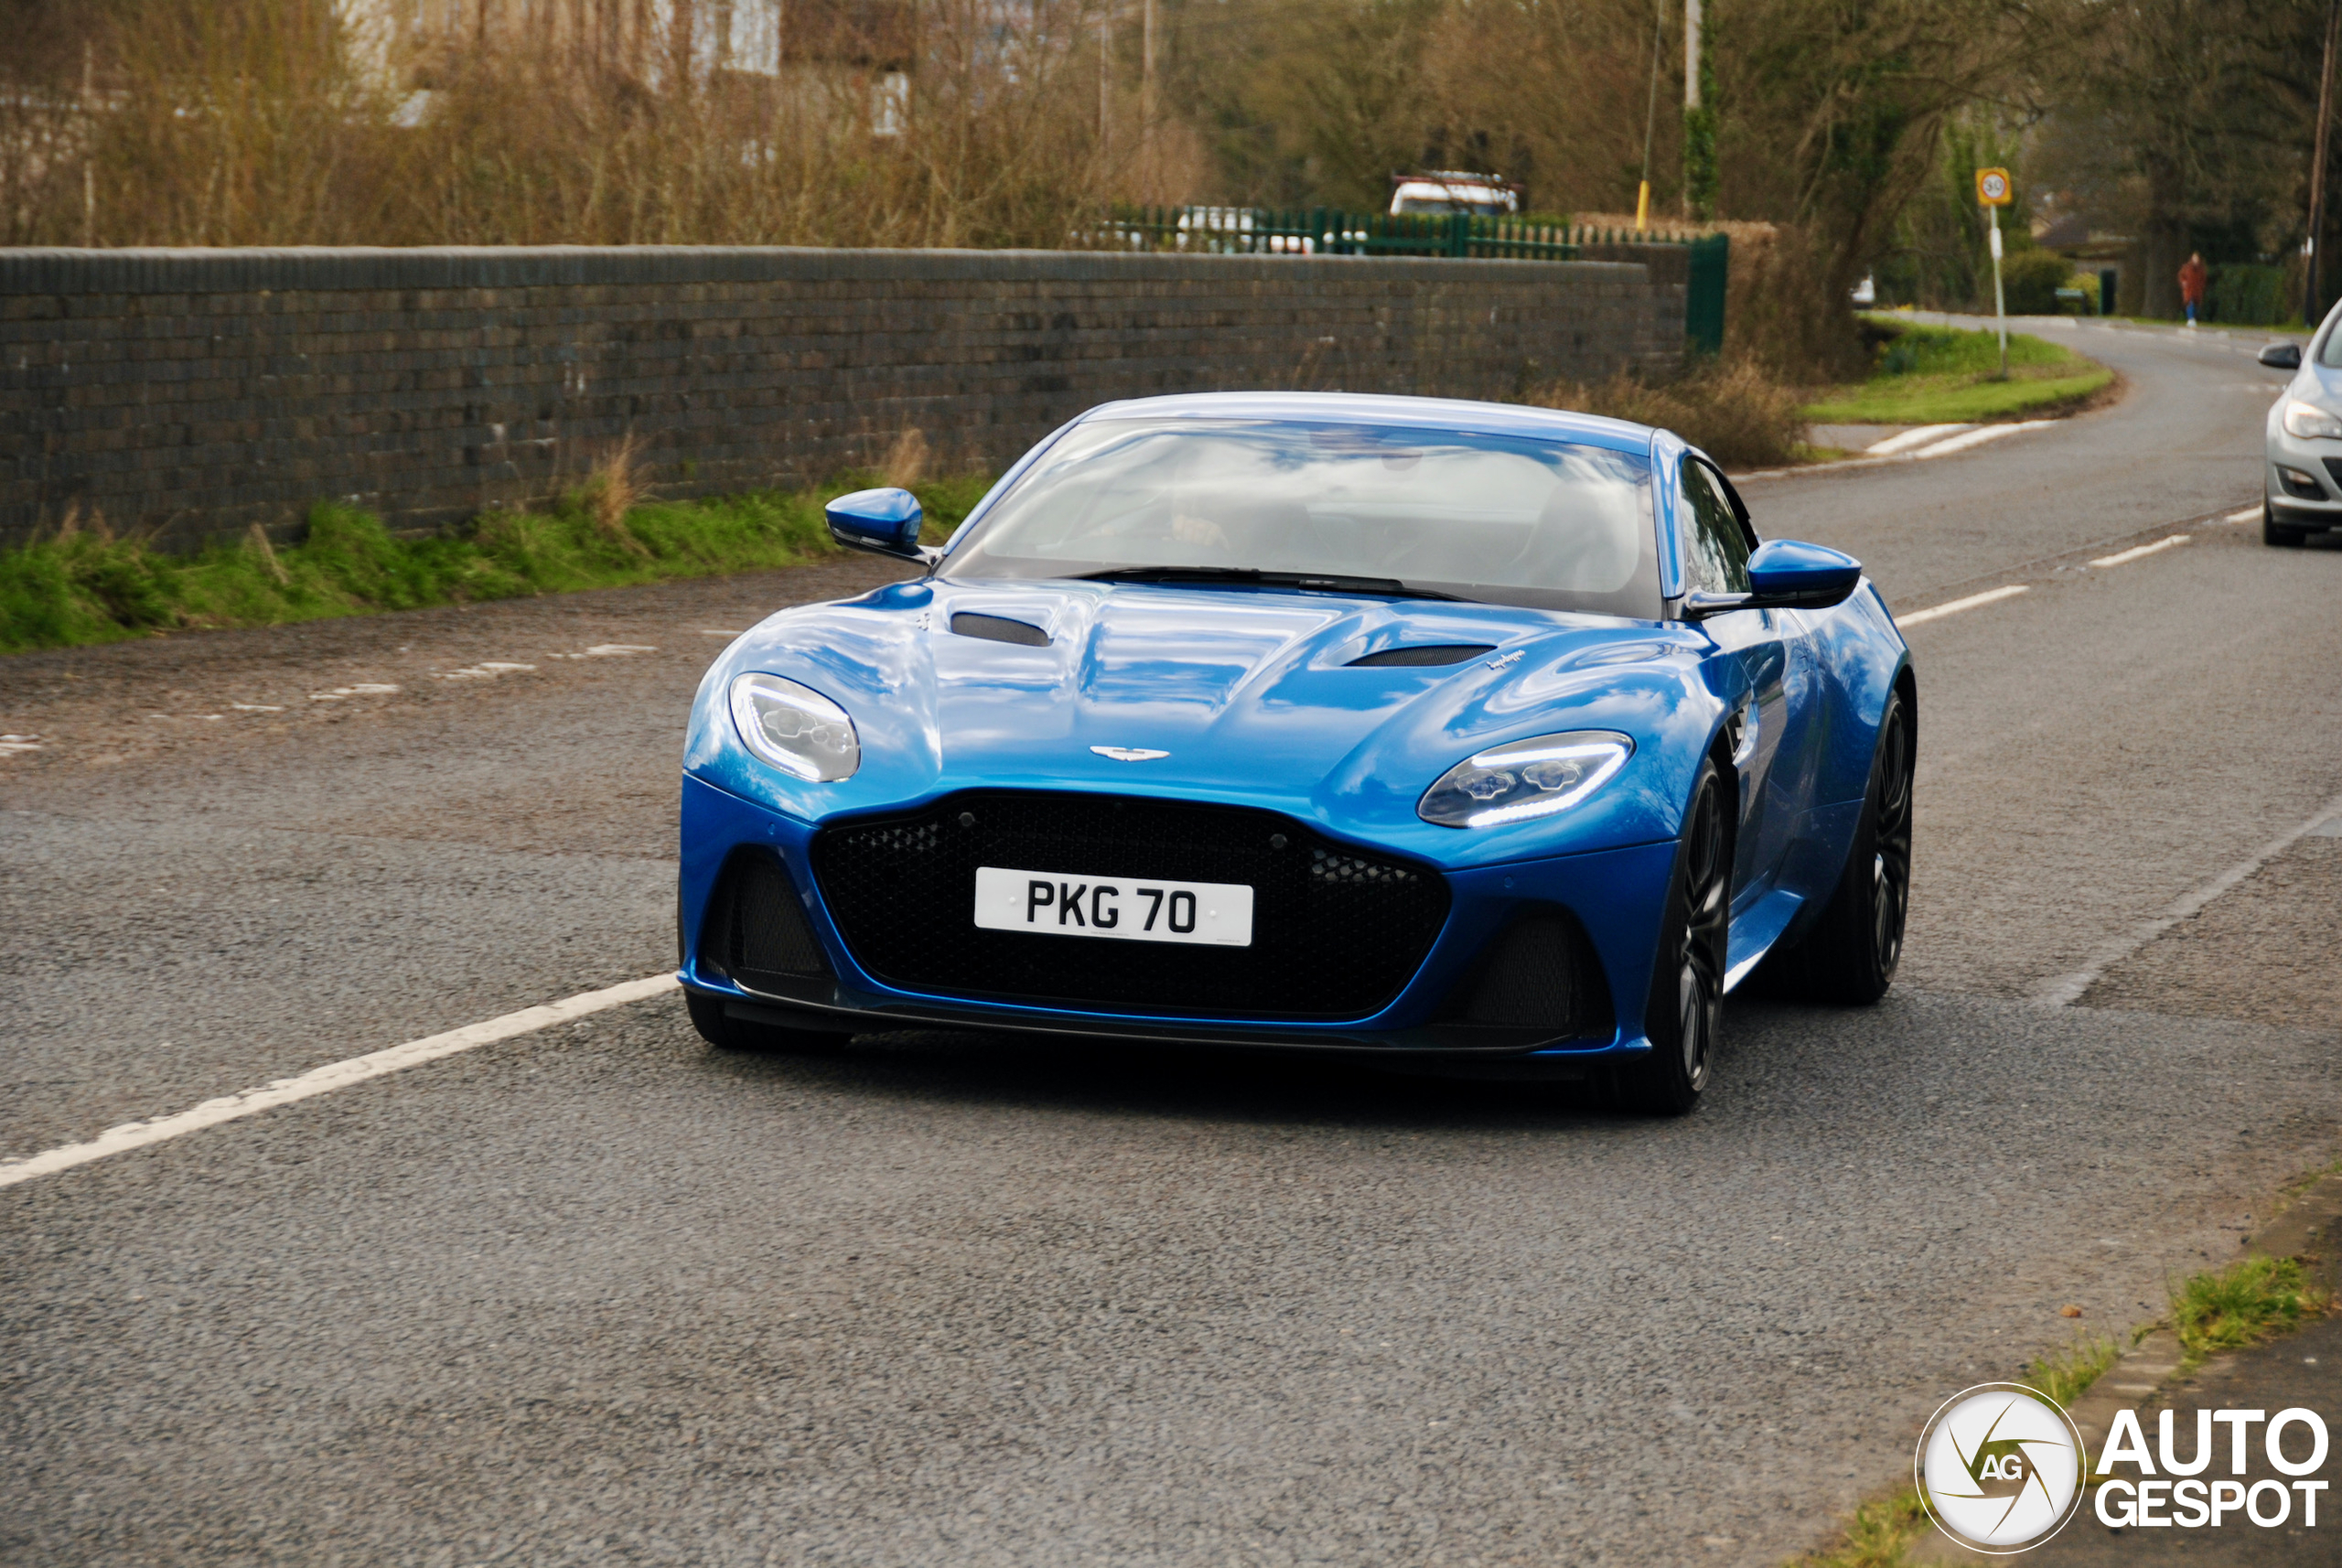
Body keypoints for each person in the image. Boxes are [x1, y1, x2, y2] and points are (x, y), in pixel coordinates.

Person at [2178, 252, 2208, 327]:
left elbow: (2203, 279)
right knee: (2190, 303)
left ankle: (2193, 318)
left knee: (2196, 306)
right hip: (2189, 289)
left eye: (2197, 258)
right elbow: (2181, 276)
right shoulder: (2187, 267)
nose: (2195, 260)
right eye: (2194, 258)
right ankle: (2190, 319)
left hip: (2197, 290)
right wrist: (2184, 282)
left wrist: (2201, 287)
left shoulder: (2201, 269)